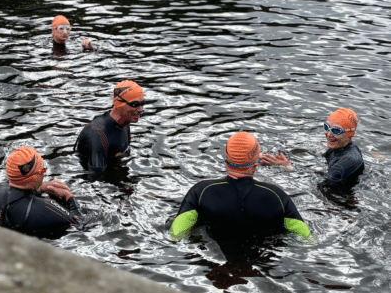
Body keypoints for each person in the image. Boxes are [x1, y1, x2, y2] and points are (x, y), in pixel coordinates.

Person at [169, 132, 311, 241]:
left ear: (225, 161)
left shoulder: (201, 192)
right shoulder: (276, 196)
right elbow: (306, 239)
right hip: (262, 265)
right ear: (255, 164)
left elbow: (176, 234)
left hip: (217, 258)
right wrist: (288, 168)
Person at [0, 147, 81, 236]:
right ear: (35, 177)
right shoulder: (46, 208)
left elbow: (16, 198)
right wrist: (70, 199)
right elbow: (81, 224)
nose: (44, 172)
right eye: (42, 169)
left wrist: (39, 189)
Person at [260, 108, 364, 184]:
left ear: (350, 134)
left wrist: (288, 168)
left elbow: (320, 184)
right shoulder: (339, 148)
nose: (328, 134)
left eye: (336, 130)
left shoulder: (348, 160)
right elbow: (321, 163)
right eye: (326, 127)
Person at [74, 80, 145, 181]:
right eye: (135, 104)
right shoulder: (98, 134)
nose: (140, 109)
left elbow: (125, 152)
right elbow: (96, 177)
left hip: (115, 168)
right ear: (119, 104)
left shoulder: (126, 123)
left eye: (143, 103)